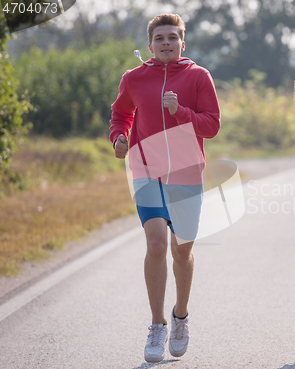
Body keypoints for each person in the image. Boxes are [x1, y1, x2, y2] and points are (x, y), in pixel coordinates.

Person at [109, 13, 220, 362]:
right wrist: (119, 138)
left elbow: (212, 125)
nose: (166, 43)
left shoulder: (199, 76)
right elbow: (120, 114)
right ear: (150, 44)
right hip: (146, 170)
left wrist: (181, 111)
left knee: (181, 251)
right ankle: (157, 325)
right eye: (160, 38)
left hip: (186, 172)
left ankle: (180, 317)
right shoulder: (134, 78)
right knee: (156, 244)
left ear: (182, 43)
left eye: (173, 37)